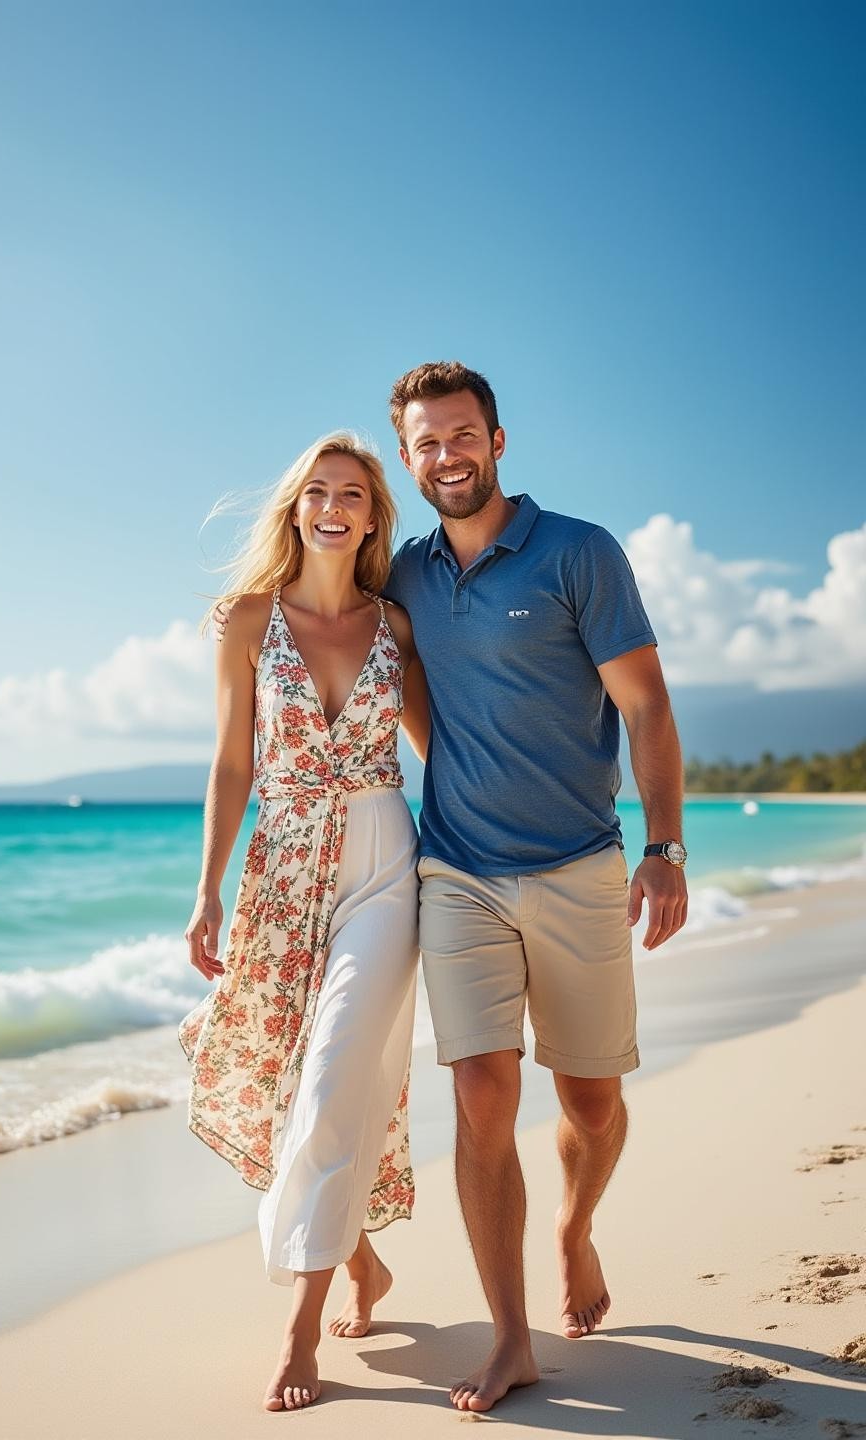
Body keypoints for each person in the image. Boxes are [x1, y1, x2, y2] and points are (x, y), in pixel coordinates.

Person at [382, 360, 689, 1412]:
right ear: (407, 456)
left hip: (577, 865)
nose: (445, 455)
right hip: (457, 869)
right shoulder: (406, 577)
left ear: (497, 441)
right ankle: (510, 1334)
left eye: (460, 434)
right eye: (424, 442)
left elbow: (645, 708)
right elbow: (404, 691)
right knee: (478, 1095)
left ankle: (572, 1225)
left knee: (590, 1101)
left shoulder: (576, 553)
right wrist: (452, 773)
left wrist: (664, 849)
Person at [179, 432, 430, 1413]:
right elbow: (231, 763)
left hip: (380, 862)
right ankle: (358, 1261)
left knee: (332, 1075)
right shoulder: (245, 620)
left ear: (373, 517)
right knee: (288, 1084)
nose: (332, 506)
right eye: (315, 492)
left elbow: (439, 752)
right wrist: (206, 890)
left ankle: (297, 1334)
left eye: (352, 494)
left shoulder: (395, 629)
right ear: (293, 509)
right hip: (278, 867)